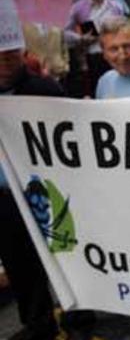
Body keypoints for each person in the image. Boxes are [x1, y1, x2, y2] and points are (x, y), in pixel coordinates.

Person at [0, 47, 64, 340]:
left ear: (22, 55)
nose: (3, 65)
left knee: (65, 252)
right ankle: (38, 325)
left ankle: (80, 313)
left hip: (48, 188)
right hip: (4, 196)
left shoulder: (45, 89)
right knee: (20, 264)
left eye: (9, 57)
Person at [65, 0, 124, 97]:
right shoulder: (77, 8)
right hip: (93, 55)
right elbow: (65, 31)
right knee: (98, 88)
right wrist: (80, 38)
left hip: (115, 52)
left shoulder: (115, 6)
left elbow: (124, 27)